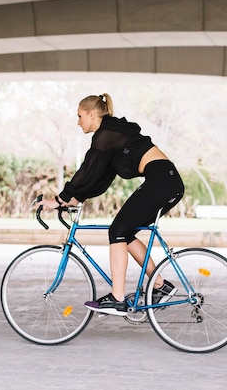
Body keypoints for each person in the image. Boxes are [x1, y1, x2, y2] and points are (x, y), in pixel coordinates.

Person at [36, 93, 184, 316]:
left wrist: (59, 199)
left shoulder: (106, 134)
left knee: (117, 231)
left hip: (162, 181)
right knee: (126, 233)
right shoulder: (111, 136)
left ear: (92, 114)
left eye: (79, 116)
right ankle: (160, 284)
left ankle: (117, 298)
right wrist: (74, 199)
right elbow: (98, 177)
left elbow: (86, 169)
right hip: (166, 181)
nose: (78, 122)